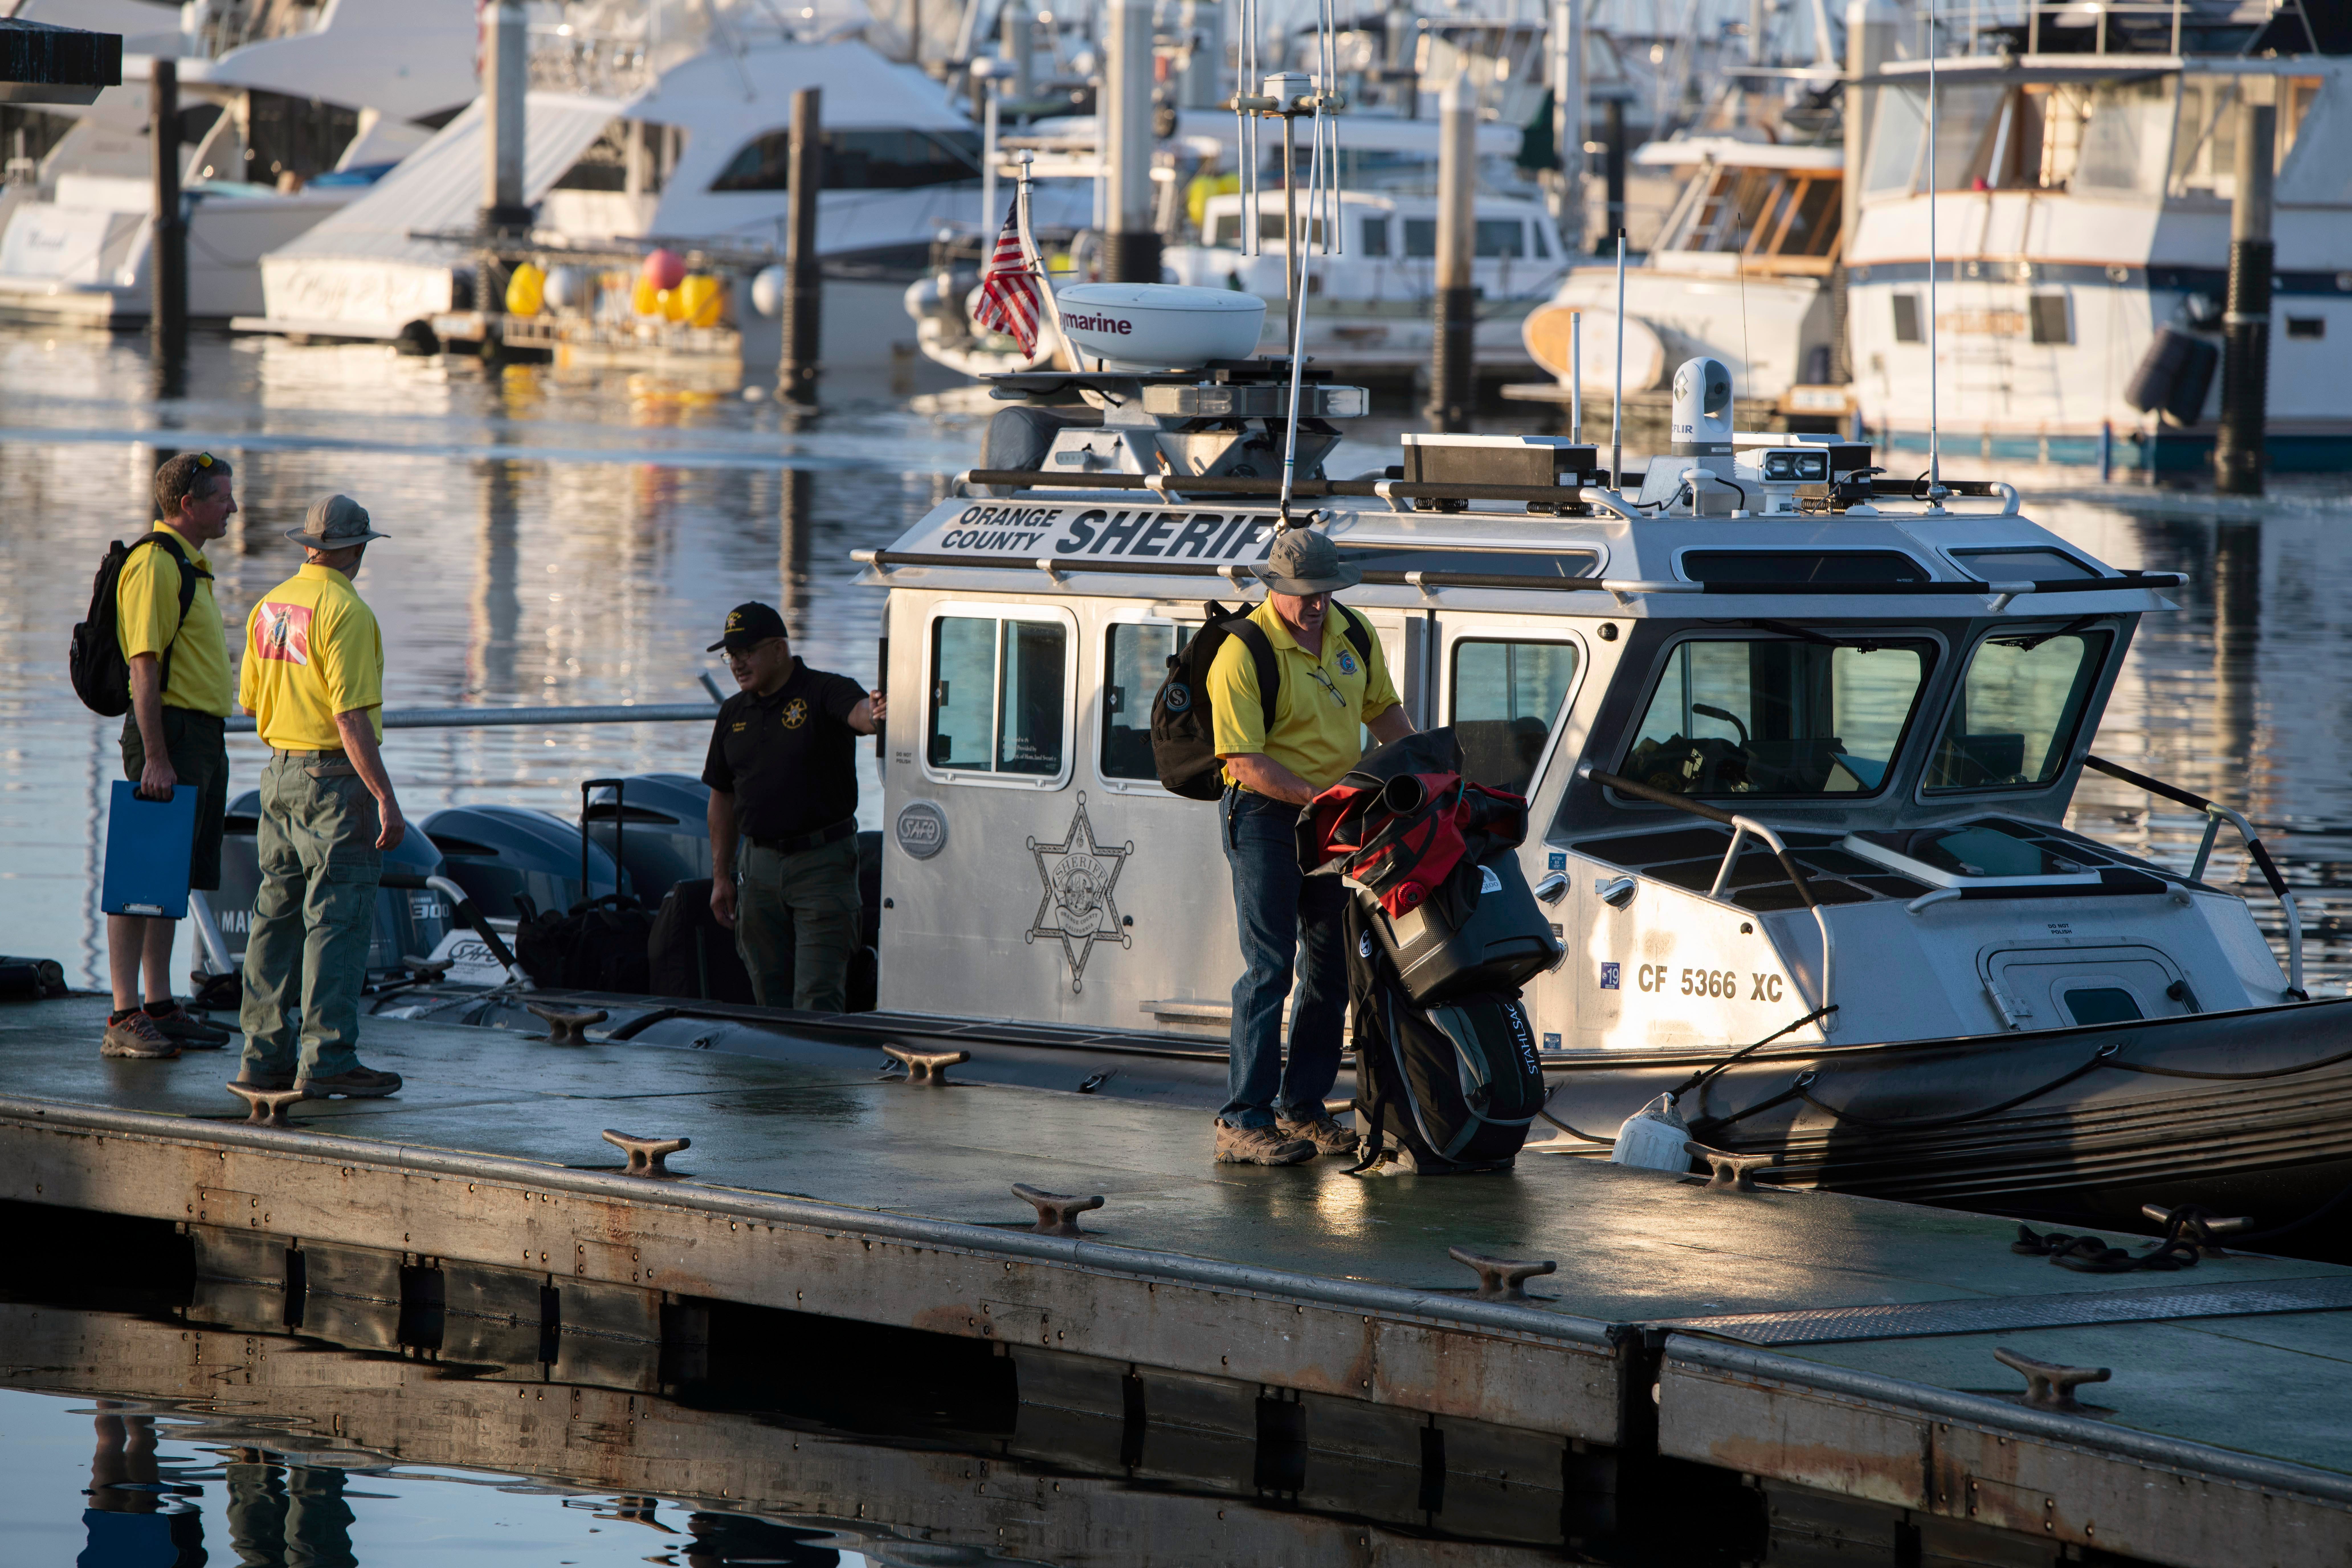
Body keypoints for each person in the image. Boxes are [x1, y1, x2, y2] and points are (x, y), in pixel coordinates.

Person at [1208, 528, 1414, 1165]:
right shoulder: (1242, 653)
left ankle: (1301, 1110)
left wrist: (1418, 774)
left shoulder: (1352, 632)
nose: (1317, 603)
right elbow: (1243, 762)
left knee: (1330, 967)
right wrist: (1321, 801)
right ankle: (1242, 1119)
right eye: (1303, 592)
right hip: (1266, 816)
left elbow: (1385, 714)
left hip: (1331, 818)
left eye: (1326, 589)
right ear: (1273, 587)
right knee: (1269, 966)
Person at [234, 495, 406, 1100]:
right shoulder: (346, 612)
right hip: (334, 782)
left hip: (277, 776)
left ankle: (262, 1056)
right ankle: (328, 1057)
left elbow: (251, 704)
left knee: (274, 917)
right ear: (356, 549)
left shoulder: (270, 605)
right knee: (336, 919)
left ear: (308, 545)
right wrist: (384, 795)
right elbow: (351, 716)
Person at [102, 452, 240, 1061]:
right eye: (223, 498)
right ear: (189, 504)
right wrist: (156, 756)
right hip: (172, 736)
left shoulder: (191, 565)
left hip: (199, 736)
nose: (233, 508)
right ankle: (124, 1012)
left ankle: (159, 1004)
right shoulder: (158, 565)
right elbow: (144, 665)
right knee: (141, 874)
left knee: (172, 875)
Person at [702, 602, 885, 1012]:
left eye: (747, 652)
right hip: (759, 868)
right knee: (769, 996)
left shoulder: (824, 690)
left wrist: (877, 714)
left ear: (779, 648)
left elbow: (860, 715)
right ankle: (775, 1079)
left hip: (822, 866)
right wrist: (720, 878)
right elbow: (722, 796)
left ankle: (821, 1078)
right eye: (731, 654)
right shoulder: (733, 713)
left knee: (817, 998)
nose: (737, 663)